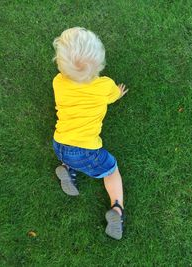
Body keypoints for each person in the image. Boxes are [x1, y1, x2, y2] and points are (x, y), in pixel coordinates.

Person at [52, 27, 128, 240]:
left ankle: (67, 168)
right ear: (99, 63)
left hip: (60, 143)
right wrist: (118, 93)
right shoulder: (104, 86)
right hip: (85, 151)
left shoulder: (58, 82)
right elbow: (112, 96)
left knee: (70, 154)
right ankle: (117, 209)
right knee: (111, 169)